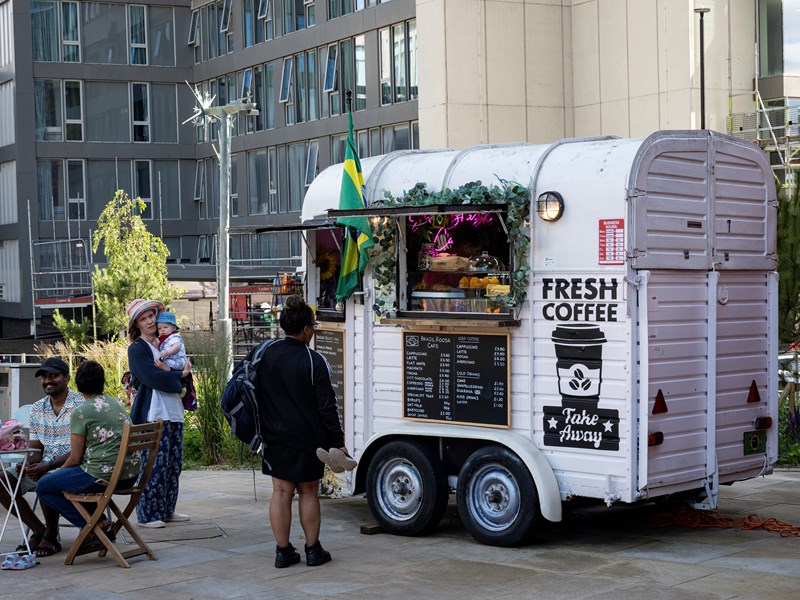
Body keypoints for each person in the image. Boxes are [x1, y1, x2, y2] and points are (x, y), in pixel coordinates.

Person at [254, 295, 349, 568]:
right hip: (309, 440)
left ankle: (283, 552)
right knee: (308, 492)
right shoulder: (313, 360)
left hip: (274, 437)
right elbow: (326, 407)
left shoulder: (266, 354)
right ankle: (313, 550)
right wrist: (337, 442)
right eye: (314, 326)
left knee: (281, 492)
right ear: (306, 329)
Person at [35, 361, 141, 552]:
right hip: (129, 475)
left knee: (44, 486)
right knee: (59, 480)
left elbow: (75, 459)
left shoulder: (81, 412)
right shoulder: (115, 403)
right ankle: (96, 523)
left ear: (76, 383)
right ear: (102, 382)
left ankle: (92, 527)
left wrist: (57, 475)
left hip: (105, 477)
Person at [0, 357, 84, 557]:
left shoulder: (80, 405)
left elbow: (81, 450)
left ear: (67, 379)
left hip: (70, 467)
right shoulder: (38, 408)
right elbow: (36, 447)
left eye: (53, 376)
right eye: (44, 376)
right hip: (44, 465)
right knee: (3, 482)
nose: (48, 381)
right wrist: (28, 463)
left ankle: (51, 536)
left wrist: (47, 466)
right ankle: (39, 530)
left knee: (47, 480)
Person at [126, 299, 191, 529]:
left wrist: (179, 374)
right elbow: (151, 377)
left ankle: (166, 510)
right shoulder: (137, 349)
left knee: (174, 464)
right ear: (137, 325)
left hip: (174, 411)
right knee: (154, 466)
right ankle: (148, 515)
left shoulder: (169, 342)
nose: (150, 321)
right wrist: (179, 378)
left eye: (151, 316)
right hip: (153, 414)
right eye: (143, 319)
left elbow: (186, 367)